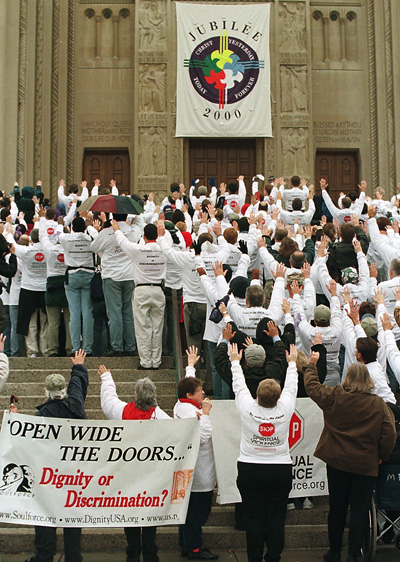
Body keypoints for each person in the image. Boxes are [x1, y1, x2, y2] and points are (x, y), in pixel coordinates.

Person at [304, 353, 396, 562]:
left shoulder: (335, 395)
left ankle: (334, 550)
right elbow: (389, 433)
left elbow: (312, 388)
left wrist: (310, 365)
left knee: (337, 507)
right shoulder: (378, 404)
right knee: (359, 509)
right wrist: (382, 454)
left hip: (336, 462)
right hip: (365, 464)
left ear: (347, 378)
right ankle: (354, 552)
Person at [11, 349, 88, 562]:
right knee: (72, 515)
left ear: (46, 391)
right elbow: (77, 387)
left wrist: (15, 419)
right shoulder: (77, 407)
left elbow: (26, 439)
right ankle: (74, 556)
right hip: (74, 473)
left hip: (49, 476)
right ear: (63, 390)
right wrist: (78, 366)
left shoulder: (43, 415)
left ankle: (44, 555)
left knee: (45, 514)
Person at [229, 342, 298, 562]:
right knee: (277, 517)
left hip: (250, 469)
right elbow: (291, 386)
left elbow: (238, 385)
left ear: (257, 395)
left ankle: (254, 558)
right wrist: (292, 363)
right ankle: (274, 557)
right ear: (278, 397)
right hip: (279, 469)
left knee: (254, 518)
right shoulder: (286, 406)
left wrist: (234, 361)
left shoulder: (247, 407)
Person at [99, 366, 170, 562]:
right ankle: (150, 554)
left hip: (127, 474)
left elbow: (108, 401)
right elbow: (178, 433)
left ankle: (132, 553)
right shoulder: (160, 416)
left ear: (136, 394)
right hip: (150, 475)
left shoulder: (122, 411)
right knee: (148, 515)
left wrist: (107, 378)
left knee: (130, 514)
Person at [174, 347, 218, 560]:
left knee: (189, 511)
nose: (204, 393)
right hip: (199, 473)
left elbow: (188, 385)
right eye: (200, 391)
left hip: (194, 470)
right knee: (198, 514)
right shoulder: (192, 412)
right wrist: (207, 414)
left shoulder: (182, 403)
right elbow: (202, 437)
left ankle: (186, 544)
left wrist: (190, 365)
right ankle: (195, 548)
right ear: (191, 396)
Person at [112, 221, 166, 369]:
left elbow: (123, 242)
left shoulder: (138, 250)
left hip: (142, 290)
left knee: (143, 328)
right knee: (157, 328)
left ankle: (146, 362)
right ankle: (156, 361)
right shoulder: (163, 249)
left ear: (144, 236)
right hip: (158, 290)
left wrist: (117, 229)